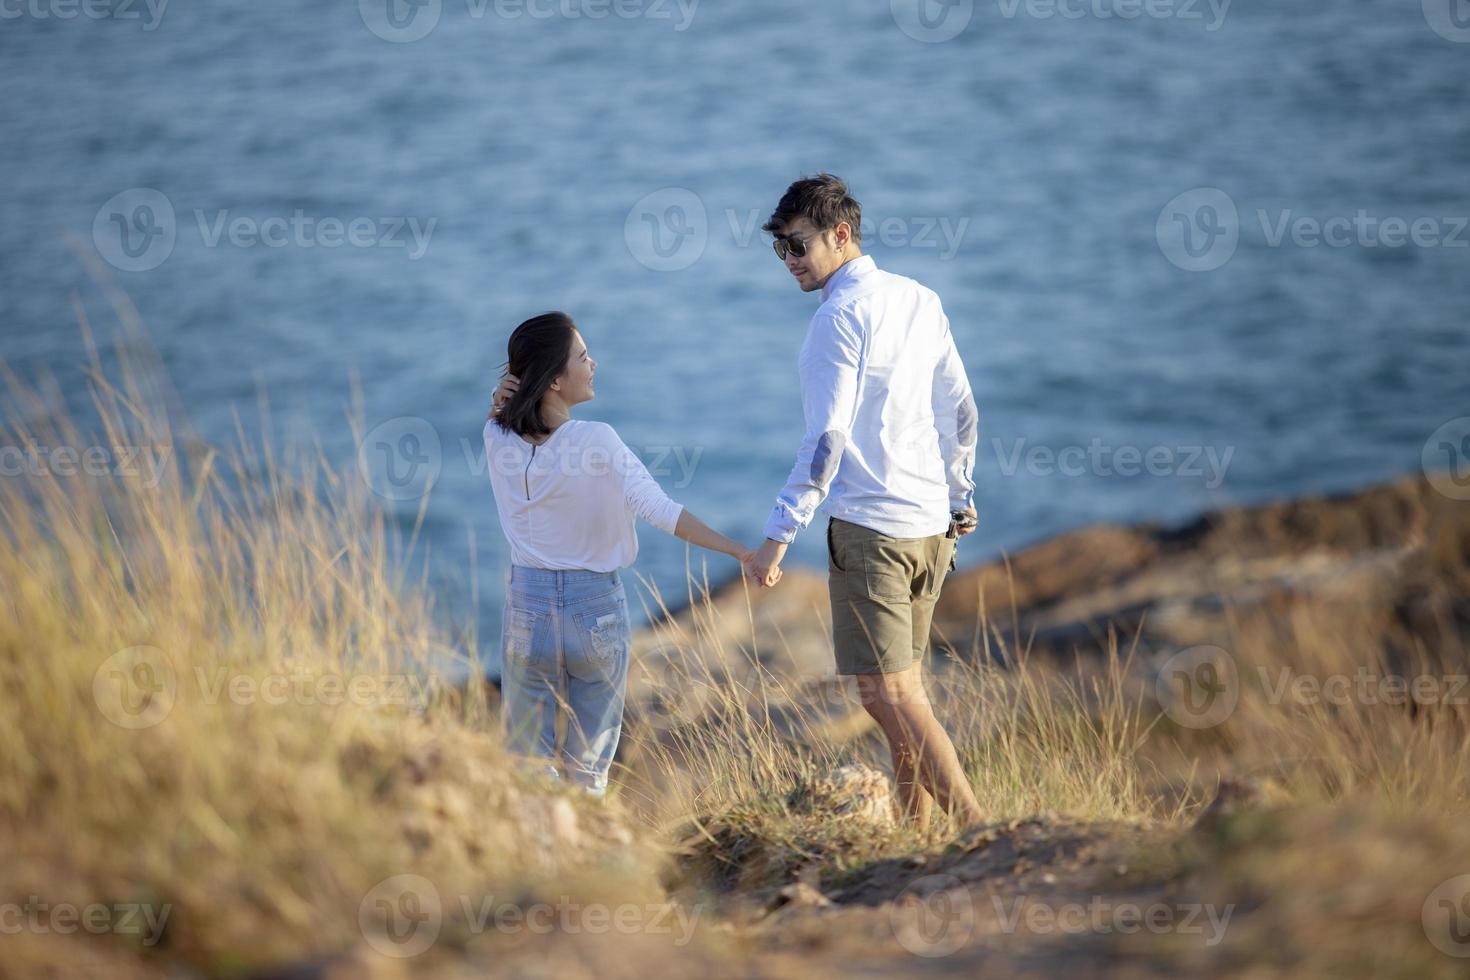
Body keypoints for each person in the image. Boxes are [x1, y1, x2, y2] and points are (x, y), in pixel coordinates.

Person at [746, 174, 986, 829]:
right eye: (780, 251)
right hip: (933, 527)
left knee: (890, 693)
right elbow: (961, 412)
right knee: (901, 689)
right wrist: (960, 495)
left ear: (840, 234)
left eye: (797, 246)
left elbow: (827, 441)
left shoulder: (837, 319)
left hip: (872, 531)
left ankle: (977, 828)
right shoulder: (921, 300)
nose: (790, 262)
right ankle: (917, 832)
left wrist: (778, 533)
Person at [483, 311, 767, 797]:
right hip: (593, 608)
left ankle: (541, 852)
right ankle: (581, 857)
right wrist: (740, 551)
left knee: (528, 760)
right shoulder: (597, 440)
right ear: (554, 379)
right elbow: (659, 510)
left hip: (527, 607)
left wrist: (496, 404)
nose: (593, 364)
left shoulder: (495, 438)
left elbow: (502, 420)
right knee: (588, 768)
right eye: (581, 357)